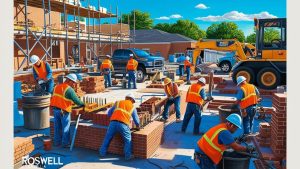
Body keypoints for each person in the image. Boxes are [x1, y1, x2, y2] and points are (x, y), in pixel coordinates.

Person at [99, 93, 140, 160]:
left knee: (107, 138)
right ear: (131, 99)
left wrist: (114, 119)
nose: (133, 103)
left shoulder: (118, 102)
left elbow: (109, 113)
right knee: (127, 140)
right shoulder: (132, 107)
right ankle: (127, 156)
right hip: (123, 124)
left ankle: (102, 153)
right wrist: (138, 126)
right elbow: (136, 120)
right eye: (133, 101)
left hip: (112, 123)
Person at [50, 73, 85, 148]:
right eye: (73, 82)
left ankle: (57, 142)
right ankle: (65, 143)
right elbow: (77, 101)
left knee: (57, 127)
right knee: (65, 128)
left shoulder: (56, 87)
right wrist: (83, 104)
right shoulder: (69, 89)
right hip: (64, 112)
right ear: (69, 81)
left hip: (55, 110)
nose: (74, 84)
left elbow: (57, 97)